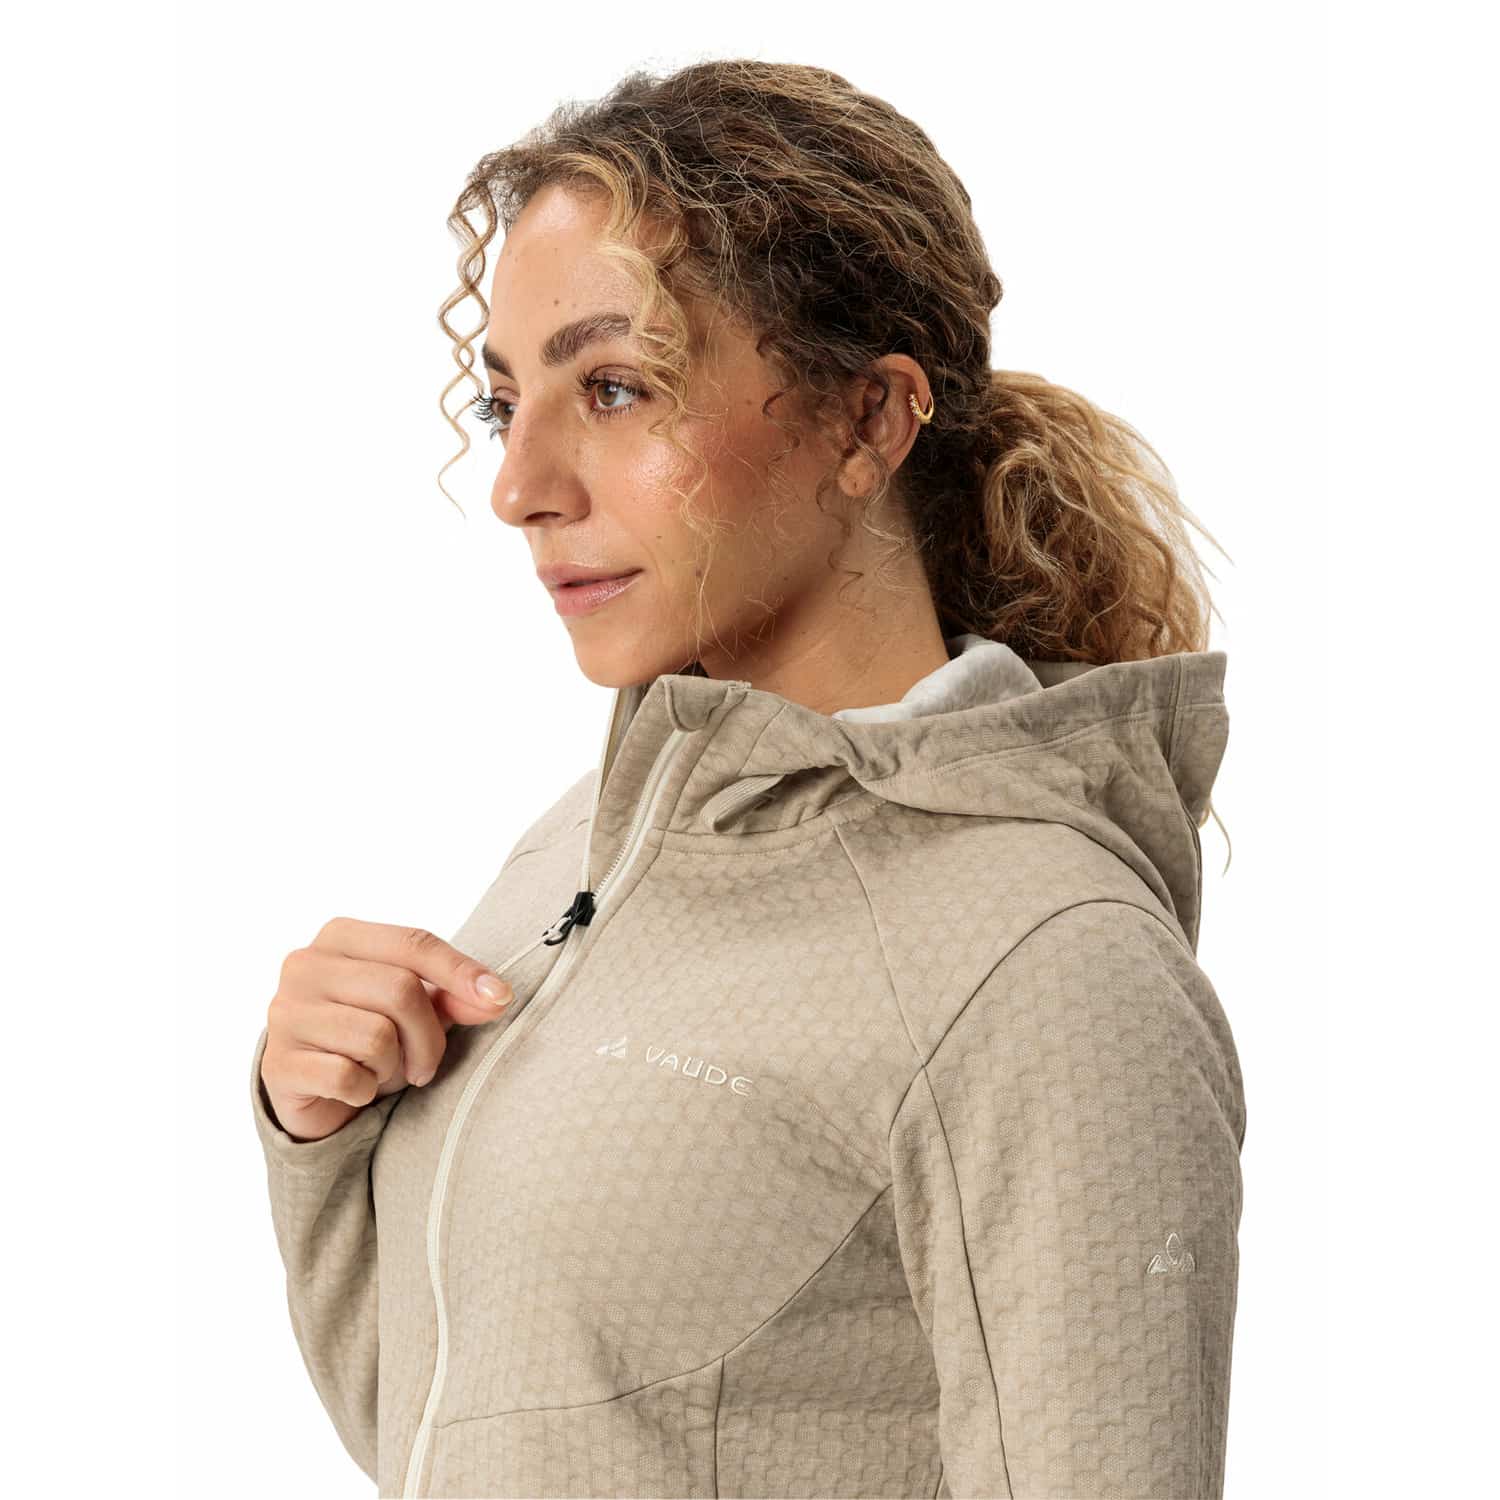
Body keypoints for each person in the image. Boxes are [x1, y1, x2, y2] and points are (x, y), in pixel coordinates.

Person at [251, 58, 1245, 1500]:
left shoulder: (1049, 959)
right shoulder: (581, 848)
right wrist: (327, 1132)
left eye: (615, 388)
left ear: (869, 421)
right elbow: (471, 1432)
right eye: (503, 401)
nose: (521, 485)